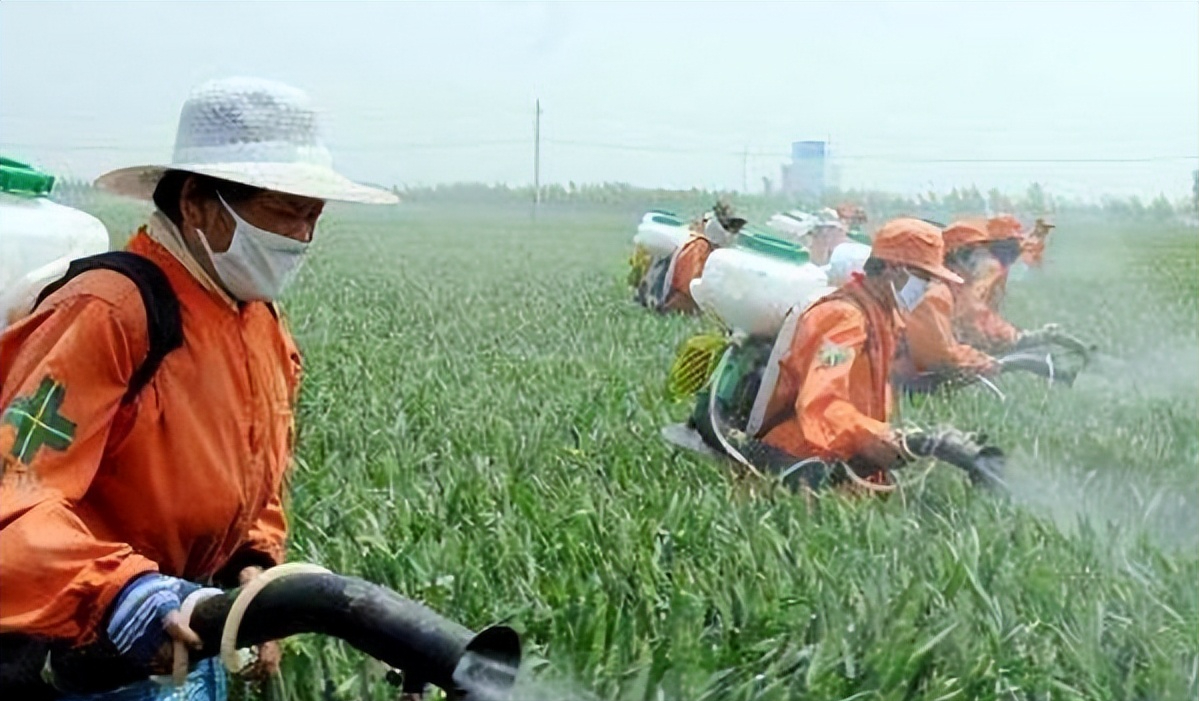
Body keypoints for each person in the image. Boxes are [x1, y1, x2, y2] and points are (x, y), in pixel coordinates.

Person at [0, 77, 397, 701]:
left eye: (314, 216)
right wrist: (118, 593)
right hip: (89, 646)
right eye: (286, 212)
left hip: (193, 628)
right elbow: (11, 502)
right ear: (197, 203)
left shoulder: (258, 320)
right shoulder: (108, 313)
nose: (303, 239)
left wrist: (256, 568)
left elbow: (254, 468)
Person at [745, 218, 977, 492]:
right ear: (893, 269)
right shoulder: (844, 318)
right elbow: (821, 404)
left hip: (843, 459)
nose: (926, 288)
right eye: (923, 278)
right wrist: (877, 436)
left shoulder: (882, 316)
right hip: (803, 463)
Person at [660, 201, 746, 314]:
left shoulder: (695, 241)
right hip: (678, 306)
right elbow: (690, 290)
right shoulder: (700, 247)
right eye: (729, 228)